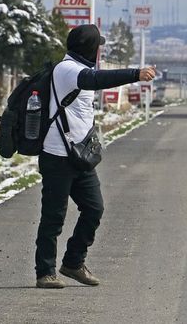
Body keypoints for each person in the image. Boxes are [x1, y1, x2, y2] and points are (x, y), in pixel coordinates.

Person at [35, 24, 155, 289]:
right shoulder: (67, 70)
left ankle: (73, 263)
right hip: (57, 155)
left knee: (94, 208)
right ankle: (45, 272)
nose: (99, 50)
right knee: (54, 216)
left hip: (80, 155)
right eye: (97, 46)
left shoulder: (80, 70)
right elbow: (95, 80)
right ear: (89, 48)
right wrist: (135, 73)